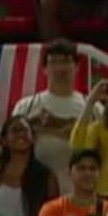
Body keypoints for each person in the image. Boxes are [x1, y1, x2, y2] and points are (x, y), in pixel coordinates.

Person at [12, 40, 88, 192]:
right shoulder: (26, 106)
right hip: (37, 189)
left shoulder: (92, 106)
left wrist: (52, 127)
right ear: (45, 69)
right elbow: (11, 144)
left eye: (66, 61)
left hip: (81, 190)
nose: (60, 68)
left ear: (77, 67)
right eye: (54, 62)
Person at [0, 116, 58, 216]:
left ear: (33, 139)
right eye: (15, 130)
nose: (21, 134)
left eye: (25, 130)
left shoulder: (47, 176)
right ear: (4, 140)